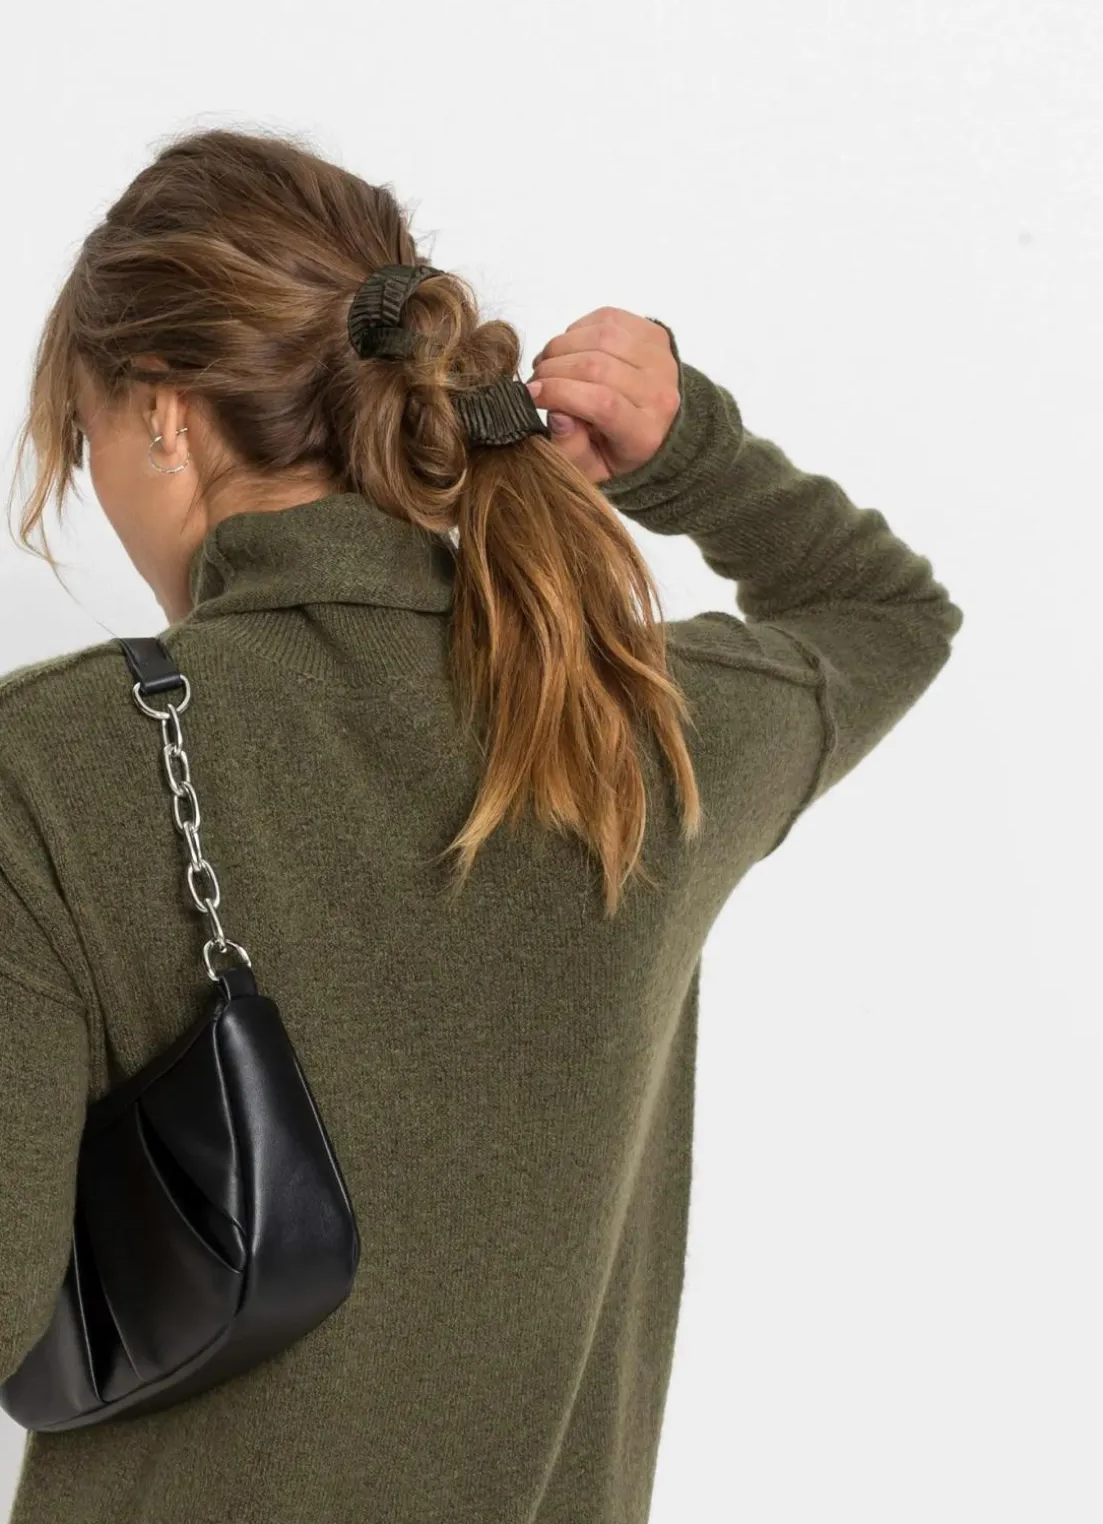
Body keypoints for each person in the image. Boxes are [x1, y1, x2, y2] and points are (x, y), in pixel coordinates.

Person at [0, 126, 964, 1524]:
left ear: (162, 414)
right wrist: (687, 451)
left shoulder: (48, 769)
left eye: (84, 434)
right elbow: (887, 617)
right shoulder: (639, 729)